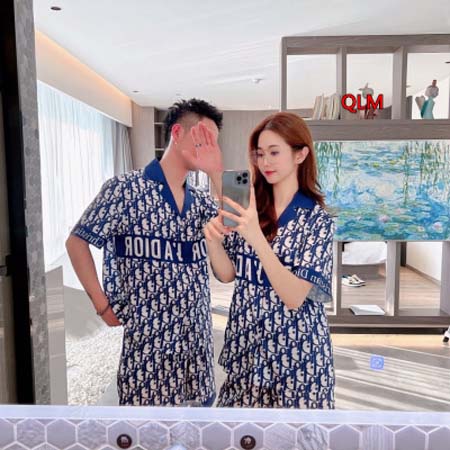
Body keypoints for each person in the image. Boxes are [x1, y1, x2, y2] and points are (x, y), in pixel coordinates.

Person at [66, 98, 223, 406]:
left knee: (197, 425)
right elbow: (77, 241)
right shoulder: (124, 189)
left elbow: (238, 232)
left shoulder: (203, 202)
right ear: (177, 133)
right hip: (147, 351)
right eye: (203, 138)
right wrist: (102, 304)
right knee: (145, 427)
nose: (209, 147)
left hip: (197, 346)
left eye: (214, 143)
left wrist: (216, 174)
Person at [204, 112, 335, 408]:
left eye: (274, 152)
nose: (265, 162)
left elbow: (294, 297)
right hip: (247, 350)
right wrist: (213, 242)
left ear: (300, 155)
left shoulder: (317, 221)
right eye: (260, 154)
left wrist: (257, 238)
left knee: (294, 433)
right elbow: (228, 274)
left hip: (297, 358)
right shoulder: (251, 207)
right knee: (236, 430)